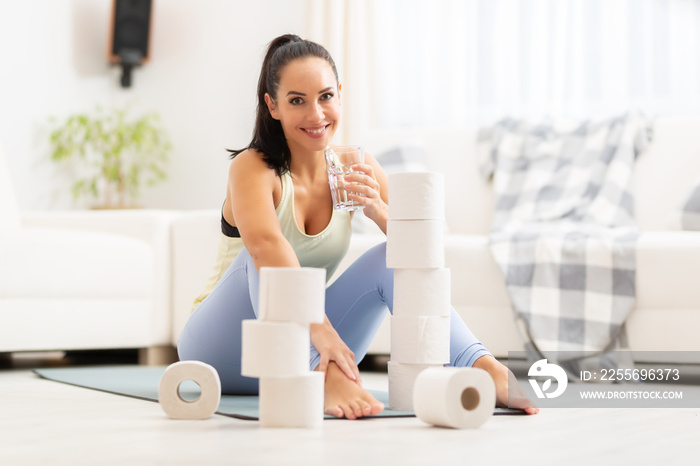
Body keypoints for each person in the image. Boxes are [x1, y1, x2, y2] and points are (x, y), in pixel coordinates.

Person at [177, 33, 538, 419]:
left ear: (339, 94)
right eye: (297, 100)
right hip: (222, 348)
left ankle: (485, 368)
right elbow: (266, 247)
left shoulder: (353, 166)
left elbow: (427, 256)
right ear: (273, 106)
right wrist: (324, 335)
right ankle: (327, 374)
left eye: (326, 97)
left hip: (300, 350)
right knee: (260, 255)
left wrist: (379, 211)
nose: (316, 115)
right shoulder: (252, 167)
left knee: (389, 257)